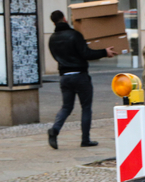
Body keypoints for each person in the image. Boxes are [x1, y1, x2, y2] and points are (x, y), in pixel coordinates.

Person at [47, 10, 117, 149]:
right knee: (86, 108)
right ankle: (85, 139)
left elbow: (56, 57)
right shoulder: (75, 35)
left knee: (66, 107)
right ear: (65, 19)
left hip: (64, 77)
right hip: (80, 76)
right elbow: (86, 53)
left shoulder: (52, 39)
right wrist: (104, 52)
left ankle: (55, 129)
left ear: (53, 22)